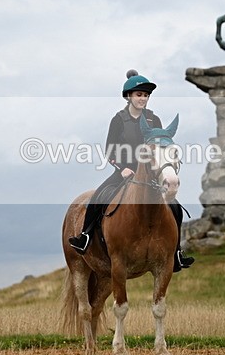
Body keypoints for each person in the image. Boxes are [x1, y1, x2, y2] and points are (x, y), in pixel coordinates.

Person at [68, 70, 195, 272]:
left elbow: (161, 146)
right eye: (138, 94)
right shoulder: (119, 120)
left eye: (145, 95)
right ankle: (85, 238)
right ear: (129, 96)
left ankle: (177, 253)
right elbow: (109, 148)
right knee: (98, 197)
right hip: (124, 171)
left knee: (176, 208)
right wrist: (123, 168)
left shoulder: (154, 119)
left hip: (150, 174)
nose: (142, 98)